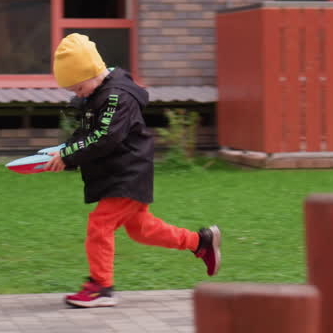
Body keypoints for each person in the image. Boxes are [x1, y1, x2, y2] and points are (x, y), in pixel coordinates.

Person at [44, 33, 221, 308]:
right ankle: (201, 242)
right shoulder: (96, 94)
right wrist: (65, 151)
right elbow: (86, 132)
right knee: (141, 230)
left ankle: (101, 287)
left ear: (92, 72)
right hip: (120, 173)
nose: (77, 94)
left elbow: (105, 137)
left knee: (100, 224)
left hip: (127, 173)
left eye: (78, 87)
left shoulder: (117, 98)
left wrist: (69, 155)